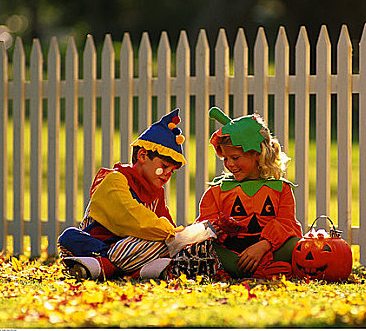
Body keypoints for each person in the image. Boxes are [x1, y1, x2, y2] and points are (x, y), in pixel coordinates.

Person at [58, 109, 221, 280]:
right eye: (164, 166)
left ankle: (104, 267)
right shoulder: (116, 180)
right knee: (69, 237)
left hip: (135, 246)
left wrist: (177, 236)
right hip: (101, 244)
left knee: (165, 242)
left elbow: (164, 222)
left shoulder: (156, 191)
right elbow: (133, 218)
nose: (167, 174)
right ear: (143, 155)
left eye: (171, 171)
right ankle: (129, 267)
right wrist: (173, 235)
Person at [194, 107, 303, 279]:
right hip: (232, 253)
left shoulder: (280, 189)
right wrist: (217, 229)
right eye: (225, 159)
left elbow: (286, 223)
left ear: (257, 154)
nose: (229, 164)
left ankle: (251, 268)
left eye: (235, 158)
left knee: (298, 246)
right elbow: (204, 226)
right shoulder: (217, 191)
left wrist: (263, 245)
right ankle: (256, 269)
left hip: (267, 248)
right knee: (205, 248)